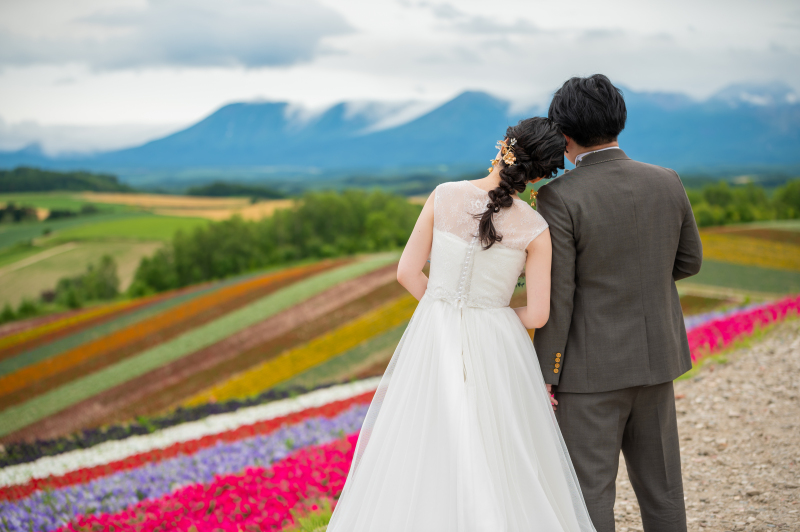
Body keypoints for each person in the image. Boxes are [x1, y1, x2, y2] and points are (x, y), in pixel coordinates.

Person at [327, 117, 597, 531]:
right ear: (540, 174)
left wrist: (444, 308)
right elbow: (539, 315)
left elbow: (407, 272)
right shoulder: (536, 229)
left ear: (503, 147)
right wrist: (491, 317)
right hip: (497, 347)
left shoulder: (444, 195)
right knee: (497, 450)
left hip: (434, 338)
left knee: (423, 442)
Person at [535, 74, 703, 532]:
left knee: (589, 496)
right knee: (664, 491)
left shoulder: (557, 197)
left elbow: (559, 293)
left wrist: (547, 373)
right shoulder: (667, 181)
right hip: (657, 362)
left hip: (590, 376)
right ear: (618, 121)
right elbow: (689, 261)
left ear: (564, 134)